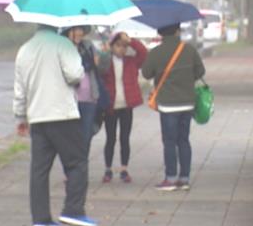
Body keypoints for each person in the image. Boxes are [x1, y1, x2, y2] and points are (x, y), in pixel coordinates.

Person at [14, 25, 99, 226]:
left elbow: (20, 87)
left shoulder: (24, 49)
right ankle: (73, 210)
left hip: (37, 115)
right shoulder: (63, 45)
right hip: (62, 114)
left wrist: (20, 116)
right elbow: (75, 75)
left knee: (40, 169)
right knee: (77, 161)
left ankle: (40, 218)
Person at [141, 23, 206, 191]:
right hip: (187, 103)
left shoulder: (156, 52)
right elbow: (200, 72)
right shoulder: (189, 50)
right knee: (183, 140)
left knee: (169, 142)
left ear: (160, 32)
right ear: (177, 31)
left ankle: (170, 178)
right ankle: (184, 178)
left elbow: (146, 73)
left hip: (168, 105)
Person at [98, 31, 148, 183]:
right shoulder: (106, 62)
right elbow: (99, 69)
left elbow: (144, 53)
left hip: (126, 105)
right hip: (111, 106)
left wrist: (131, 41)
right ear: (112, 46)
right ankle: (108, 169)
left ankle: (124, 168)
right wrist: (105, 52)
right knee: (110, 138)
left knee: (125, 138)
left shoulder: (131, 61)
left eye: (124, 47)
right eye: (118, 46)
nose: (122, 49)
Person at [62, 25, 101, 150]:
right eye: (75, 30)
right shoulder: (63, 48)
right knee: (70, 135)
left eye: (81, 30)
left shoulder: (88, 46)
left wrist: (100, 58)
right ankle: (74, 163)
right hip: (69, 99)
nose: (79, 33)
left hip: (89, 97)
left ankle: (82, 163)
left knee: (87, 134)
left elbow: (98, 66)